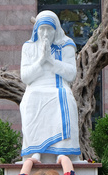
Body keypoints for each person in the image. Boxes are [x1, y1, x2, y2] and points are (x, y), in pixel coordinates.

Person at [20, 10, 81, 164]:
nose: (45, 33)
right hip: (35, 88)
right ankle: (35, 152)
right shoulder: (28, 47)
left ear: (56, 30)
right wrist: (41, 60)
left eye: (49, 29)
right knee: (30, 100)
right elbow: (26, 77)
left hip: (58, 88)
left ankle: (62, 152)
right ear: (36, 30)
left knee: (66, 98)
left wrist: (51, 61)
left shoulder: (66, 45)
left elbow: (71, 74)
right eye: (42, 29)